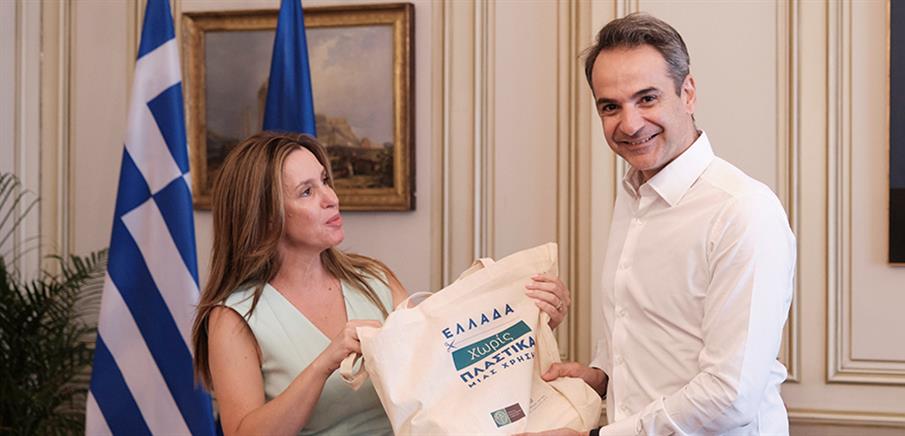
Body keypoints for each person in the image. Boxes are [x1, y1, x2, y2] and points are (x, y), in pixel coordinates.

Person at [191, 132, 571, 435]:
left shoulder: (373, 280)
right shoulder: (234, 317)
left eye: (325, 181)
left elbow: (444, 372)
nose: (331, 198)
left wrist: (527, 324)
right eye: (307, 191)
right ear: (266, 214)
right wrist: (324, 364)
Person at [529, 13, 796, 436]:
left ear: (687, 93)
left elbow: (730, 396)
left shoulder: (743, 210)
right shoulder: (633, 196)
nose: (630, 124)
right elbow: (652, 339)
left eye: (647, 99)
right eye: (611, 107)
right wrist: (600, 378)